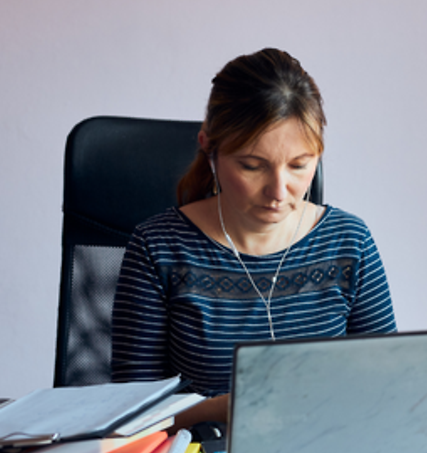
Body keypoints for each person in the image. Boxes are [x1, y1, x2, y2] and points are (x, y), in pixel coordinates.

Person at [112, 48, 397, 426]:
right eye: (252, 166)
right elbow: (128, 418)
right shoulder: (157, 248)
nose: (279, 191)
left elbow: (388, 388)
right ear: (209, 150)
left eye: (299, 165)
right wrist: (223, 410)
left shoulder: (350, 241)